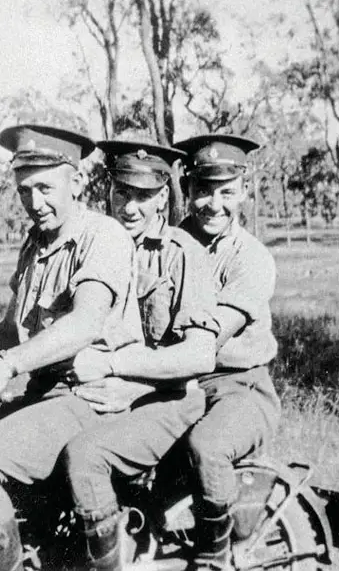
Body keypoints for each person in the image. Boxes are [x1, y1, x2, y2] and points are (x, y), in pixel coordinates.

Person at [0, 124, 143, 571]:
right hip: (47, 396)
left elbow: (83, 324)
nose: (35, 202)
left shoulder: (103, 236)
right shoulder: (36, 244)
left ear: (75, 181)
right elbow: (10, 332)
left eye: (45, 188)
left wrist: (5, 367)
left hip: (92, 397)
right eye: (24, 191)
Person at [60, 140, 220, 571]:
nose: (130, 207)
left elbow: (199, 357)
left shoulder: (181, 254)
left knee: (85, 456)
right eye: (121, 193)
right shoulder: (94, 246)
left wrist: (125, 378)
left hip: (169, 398)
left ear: (163, 197)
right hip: (102, 391)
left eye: (143, 196)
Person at [170, 133, 282, 570]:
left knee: (209, 446)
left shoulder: (251, 259)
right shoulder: (171, 244)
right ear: (188, 190)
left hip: (240, 389)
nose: (213, 204)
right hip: (179, 384)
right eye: (202, 190)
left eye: (227, 192)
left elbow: (207, 343)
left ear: (244, 193)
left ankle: (214, 558)